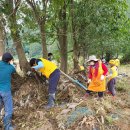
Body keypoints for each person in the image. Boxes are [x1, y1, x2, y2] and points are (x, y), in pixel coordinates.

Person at [0, 52, 16, 130]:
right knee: (8, 108)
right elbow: (14, 71)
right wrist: (11, 64)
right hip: (5, 90)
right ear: (9, 60)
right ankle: (7, 127)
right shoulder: (10, 67)